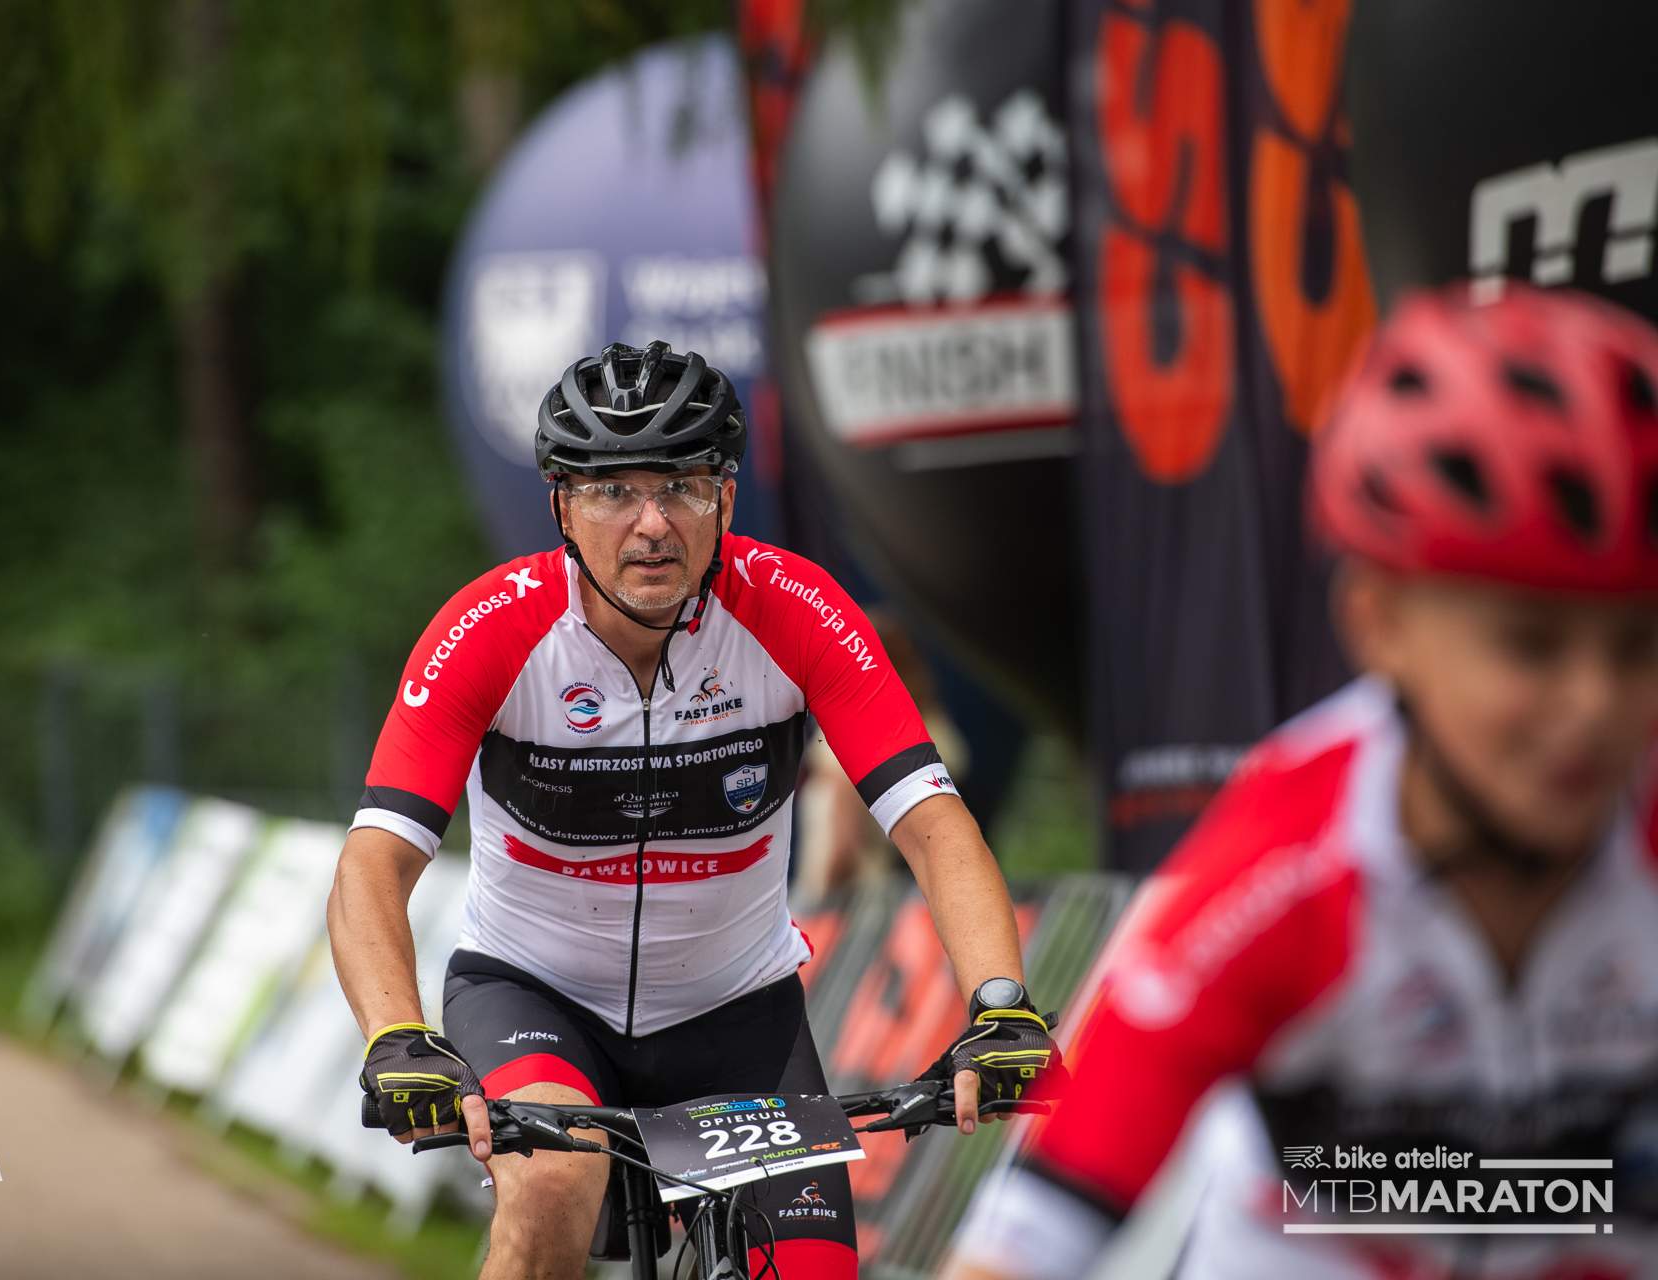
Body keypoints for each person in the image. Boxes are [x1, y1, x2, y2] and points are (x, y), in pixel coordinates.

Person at [944, 285, 1658, 1279]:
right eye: (1530, 647)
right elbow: (1028, 1238)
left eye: (1636, 645)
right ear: (1380, 623)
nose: (1594, 704)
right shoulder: (1284, 860)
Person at [326, 340, 1058, 1279]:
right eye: (612, 491)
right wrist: (397, 1036)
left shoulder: (797, 610)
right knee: (553, 1181)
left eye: (682, 487)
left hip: (736, 1013)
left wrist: (1000, 1007)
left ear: (728, 499)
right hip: (535, 995)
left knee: (814, 1269)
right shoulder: (490, 630)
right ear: (561, 508)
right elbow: (374, 860)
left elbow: (933, 825)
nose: (652, 525)